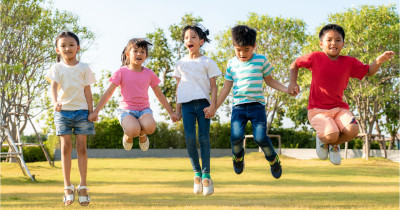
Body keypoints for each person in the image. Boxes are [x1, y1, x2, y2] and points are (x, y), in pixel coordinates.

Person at [288, 24, 395, 165]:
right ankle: (323, 139)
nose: (334, 43)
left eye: (338, 40)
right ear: (321, 43)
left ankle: (333, 145)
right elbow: (295, 63)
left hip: (339, 109)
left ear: (343, 44)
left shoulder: (349, 62)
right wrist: (292, 83)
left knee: (353, 130)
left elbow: (369, 71)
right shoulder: (315, 57)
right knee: (331, 133)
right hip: (318, 110)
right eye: (329, 40)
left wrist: (379, 61)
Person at [213, 25, 295, 179]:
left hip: (257, 107)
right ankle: (238, 158)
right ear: (234, 47)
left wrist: (286, 89)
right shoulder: (231, 64)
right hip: (239, 108)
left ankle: (273, 160)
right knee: (236, 137)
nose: (242, 54)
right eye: (238, 50)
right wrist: (214, 107)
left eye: (246, 49)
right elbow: (226, 88)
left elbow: (270, 80)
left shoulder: (261, 60)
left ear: (254, 46)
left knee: (260, 138)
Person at [89, 38, 179, 152]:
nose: (139, 54)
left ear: (146, 56)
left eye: (142, 51)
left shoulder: (149, 73)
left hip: (144, 111)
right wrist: (96, 111)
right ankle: (128, 135)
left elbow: (159, 95)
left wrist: (171, 112)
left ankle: (143, 134)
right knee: (133, 130)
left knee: (150, 127)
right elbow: (108, 93)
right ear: (127, 54)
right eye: (135, 51)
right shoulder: (121, 72)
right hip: (126, 111)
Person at [45, 31, 95, 206]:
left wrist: (92, 111)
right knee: (66, 147)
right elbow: (54, 86)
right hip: (62, 112)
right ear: (58, 50)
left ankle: (82, 186)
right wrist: (55, 102)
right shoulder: (56, 68)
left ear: (78, 47)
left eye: (71, 45)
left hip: (82, 112)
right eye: (63, 45)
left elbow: (88, 91)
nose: (68, 48)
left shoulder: (84, 67)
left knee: (81, 148)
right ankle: (67, 187)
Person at [174, 24, 221, 196]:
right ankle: (196, 174)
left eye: (193, 37)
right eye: (186, 38)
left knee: (203, 138)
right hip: (186, 106)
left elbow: (214, 87)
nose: (189, 40)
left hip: (203, 105)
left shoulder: (208, 62)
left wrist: (213, 106)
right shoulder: (180, 64)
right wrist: (177, 110)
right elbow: (178, 88)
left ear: (201, 41)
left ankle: (207, 175)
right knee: (189, 138)